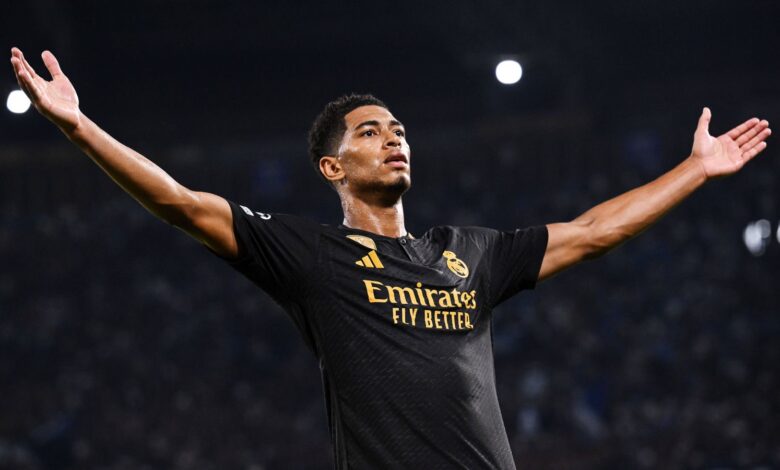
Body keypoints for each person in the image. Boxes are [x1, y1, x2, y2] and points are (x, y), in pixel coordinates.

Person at [10, 47, 771, 469]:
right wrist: (79, 127)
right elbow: (180, 201)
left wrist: (694, 170)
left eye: (399, 128)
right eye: (370, 132)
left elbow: (593, 230)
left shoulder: (468, 253)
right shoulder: (312, 256)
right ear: (332, 168)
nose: (393, 138)